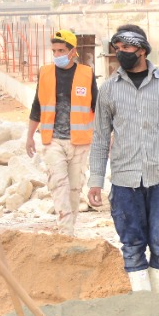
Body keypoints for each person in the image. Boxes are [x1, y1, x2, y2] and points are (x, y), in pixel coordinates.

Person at [88, 26, 159, 294]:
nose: (120, 53)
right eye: (117, 48)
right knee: (131, 243)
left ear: (141, 50)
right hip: (124, 179)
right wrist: (95, 180)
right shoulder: (108, 90)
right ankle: (143, 303)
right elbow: (101, 138)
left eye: (126, 48)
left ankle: (156, 300)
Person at [25, 29, 98, 236]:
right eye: (54, 50)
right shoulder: (46, 73)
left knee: (74, 190)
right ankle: (64, 232)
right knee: (59, 184)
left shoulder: (86, 73)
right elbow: (37, 106)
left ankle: (68, 231)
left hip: (79, 142)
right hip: (52, 140)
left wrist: (105, 136)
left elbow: (98, 107)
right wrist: (30, 136)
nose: (57, 54)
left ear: (72, 51)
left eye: (61, 50)